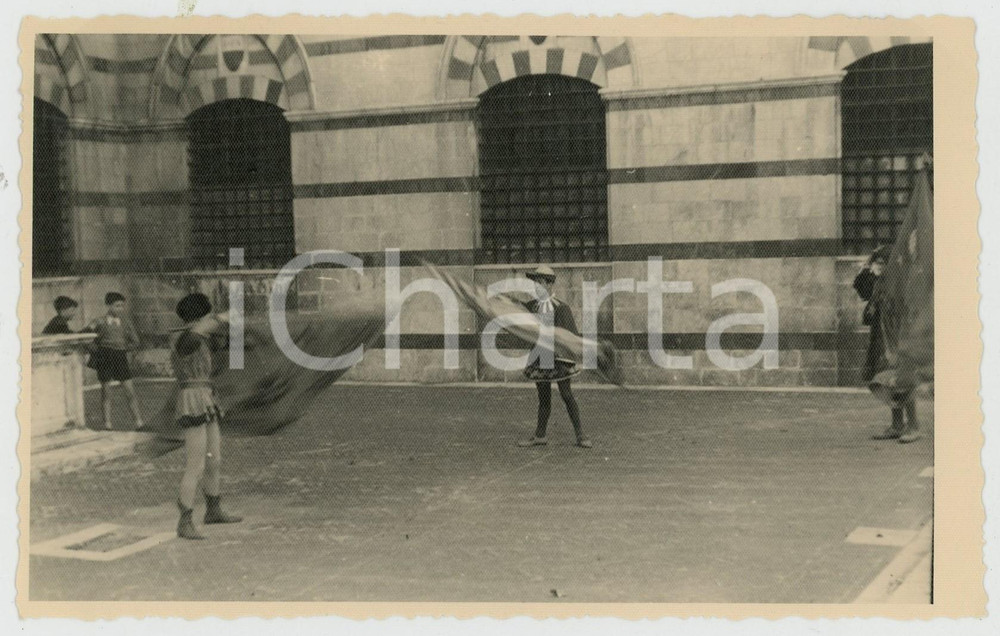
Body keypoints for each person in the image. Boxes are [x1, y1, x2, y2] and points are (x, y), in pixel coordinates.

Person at [171, 293, 243, 540]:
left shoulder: (199, 338)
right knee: (196, 464)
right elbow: (197, 334)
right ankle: (185, 520)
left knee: (215, 459)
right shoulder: (185, 338)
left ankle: (213, 510)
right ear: (201, 316)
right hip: (192, 398)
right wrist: (221, 318)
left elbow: (225, 344)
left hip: (206, 396)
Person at [516, 265, 592, 449]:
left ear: (549, 285)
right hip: (540, 358)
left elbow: (569, 337)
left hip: (558, 360)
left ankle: (581, 435)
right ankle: (540, 435)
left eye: (540, 283)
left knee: (566, 395)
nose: (536, 287)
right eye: (535, 283)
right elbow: (517, 315)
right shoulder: (532, 306)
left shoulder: (561, 308)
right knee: (544, 399)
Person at [854, 246, 920, 443]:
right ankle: (897, 425)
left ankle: (914, 425)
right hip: (881, 337)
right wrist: (868, 269)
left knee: (902, 380)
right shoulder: (878, 282)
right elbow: (862, 291)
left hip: (899, 337)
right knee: (888, 380)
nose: (879, 266)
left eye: (883, 263)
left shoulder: (900, 281)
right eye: (877, 262)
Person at [84, 292, 144, 430]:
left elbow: (136, 341)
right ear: (108, 306)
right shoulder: (99, 321)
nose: (120, 309)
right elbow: (86, 335)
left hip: (120, 357)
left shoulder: (126, 322)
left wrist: (123, 348)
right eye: (117, 306)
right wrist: (96, 349)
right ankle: (107, 424)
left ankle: (139, 422)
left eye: (122, 306)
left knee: (130, 391)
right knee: (106, 392)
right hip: (105, 357)